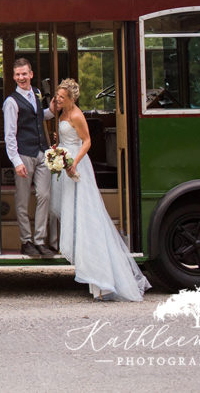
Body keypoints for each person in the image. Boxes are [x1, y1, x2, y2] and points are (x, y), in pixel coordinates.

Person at [50, 78, 151, 301]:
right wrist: (59, 145)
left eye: (61, 97)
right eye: (57, 96)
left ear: (71, 98)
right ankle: (87, 269)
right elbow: (69, 135)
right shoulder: (63, 114)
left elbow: (86, 141)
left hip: (77, 166)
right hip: (66, 162)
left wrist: (73, 162)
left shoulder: (76, 115)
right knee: (74, 215)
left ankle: (101, 278)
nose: (57, 99)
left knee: (87, 218)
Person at [3, 58, 57, 258]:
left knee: (44, 195)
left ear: (31, 74)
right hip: (24, 154)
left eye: (24, 74)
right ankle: (26, 241)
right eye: (17, 74)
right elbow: (9, 135)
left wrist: (51, 111)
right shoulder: (11, 102)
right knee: (22, 200)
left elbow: (38, 116)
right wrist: (16, 161)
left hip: (42, 152)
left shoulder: (35, 93)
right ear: (14, 77)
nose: (21, 77)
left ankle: (40, 240)